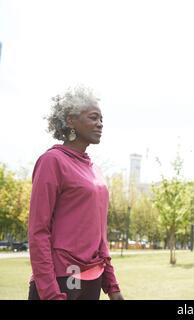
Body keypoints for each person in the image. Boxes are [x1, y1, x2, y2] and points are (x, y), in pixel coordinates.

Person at [27, 86, 124, 300]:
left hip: (93, 280)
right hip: (60, 281)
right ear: (70, 120)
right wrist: (51, 293)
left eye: (102, 119)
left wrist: (112, 286)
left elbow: (100, 235)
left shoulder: (95, 170)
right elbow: (38, 231)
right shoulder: (52, 161)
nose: (100, 124)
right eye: (93, 117)